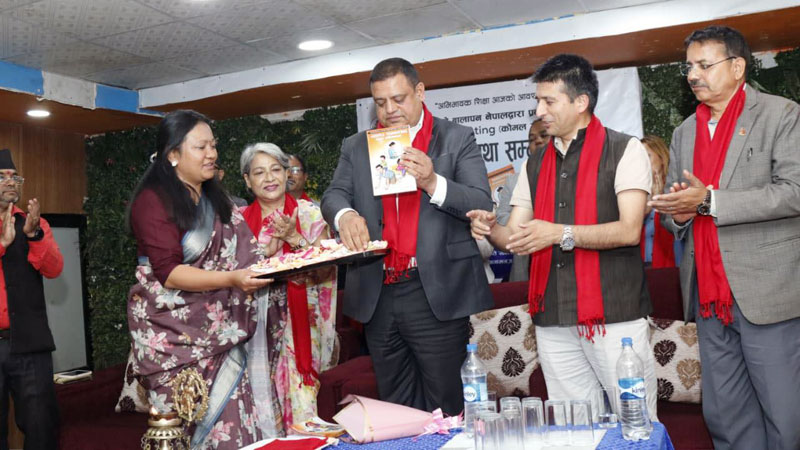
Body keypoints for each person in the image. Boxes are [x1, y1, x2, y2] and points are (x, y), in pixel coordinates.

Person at [468, 54, 658, 421]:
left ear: (581, 102)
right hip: (553, 315)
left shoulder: (625, 150)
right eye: (538, 101)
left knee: (636, 424)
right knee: (576, 426)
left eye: (549, 101)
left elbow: (629, 230)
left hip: (614, 314)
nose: (539, 111)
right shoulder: (535, 163)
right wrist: (490, 228)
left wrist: (559, 233)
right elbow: (515, 238)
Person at [650, 26, 800, 449]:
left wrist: (710, 201)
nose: (693, 75)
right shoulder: (684, 132)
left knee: (785, 416)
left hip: (767, 291)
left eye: (704, 65)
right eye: (688, 67)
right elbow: (678, 216)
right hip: (708, 295)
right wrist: (679, 213)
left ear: (737, 67)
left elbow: (794, 191)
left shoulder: (780, 114)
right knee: (727, 416)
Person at [322, 57, 492, 415]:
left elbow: (479, 201)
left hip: (436, 289)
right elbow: (334, 194)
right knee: (396, 405)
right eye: (381, 102)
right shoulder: (357, 145)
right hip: (378, 290)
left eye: (398, 99)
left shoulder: (456, 137)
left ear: (420, 92)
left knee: (445, 404)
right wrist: (345, 214)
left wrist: (432, 181)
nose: (390, 110)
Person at [126, 110, 281, 449]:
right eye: (201, 147)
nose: (211, 154)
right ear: (173, 154)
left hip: (223, 335)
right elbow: (169, 273)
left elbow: (243, 254)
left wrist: (276, 253)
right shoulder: (152, 201)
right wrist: (233, 279)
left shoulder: (216, 198)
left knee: (235, 427)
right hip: (172, 341)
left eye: (213, 145)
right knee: (184, 433)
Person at [239, 143, 337, 429]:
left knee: (301, 402)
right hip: (253, 327)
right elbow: (229, 275)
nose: (269, 178)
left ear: (286, 174)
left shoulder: (310, 214)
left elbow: (326, 268)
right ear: (247, 180)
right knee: (257, 410)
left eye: (276, 170)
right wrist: (264, 253)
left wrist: (295, 239)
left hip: (300, 323)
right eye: (259, 172)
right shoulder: (238, 222)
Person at [0, 148, 63, 450]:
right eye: (2, 177)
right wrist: (2, 245)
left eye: (14, 177)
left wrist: (34, 236)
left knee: (41, 427)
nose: (10, 182)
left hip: (29, 344)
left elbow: (54, 269)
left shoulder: (34, 224)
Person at [496, 117, 551, 281]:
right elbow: (501, 219)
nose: (538, 141)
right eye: (532, 139)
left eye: (544, 135)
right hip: (525, 270)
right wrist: (527, 218)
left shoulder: (570, 176)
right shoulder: (514, 181)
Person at [640, 135, 682, 267]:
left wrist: (660, 198)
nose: (641, 162)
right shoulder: (635, 192)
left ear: (661, 158)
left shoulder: (677, 187)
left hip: (672, 266)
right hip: (641, 268)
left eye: (646, 156)